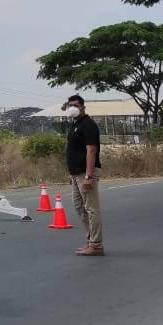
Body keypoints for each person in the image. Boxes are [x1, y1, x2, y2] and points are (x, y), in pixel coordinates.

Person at [65, 94, 103, 256]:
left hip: (86, 173)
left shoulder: (88, 125)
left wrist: (88, 176)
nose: (72, 108)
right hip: (76, 174)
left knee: (91, 208)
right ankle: (91, 240)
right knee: (80, 207)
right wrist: (72, 173)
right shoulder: (75, 125)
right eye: (70, 105)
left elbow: (91, 151)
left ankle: (96, 244)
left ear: (83, 107)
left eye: (75, 105)